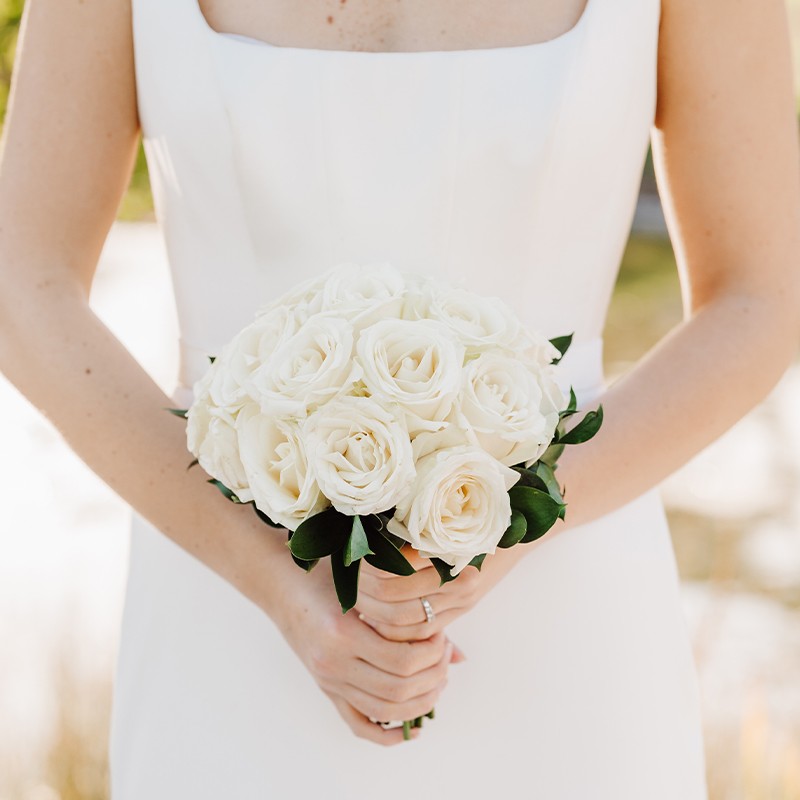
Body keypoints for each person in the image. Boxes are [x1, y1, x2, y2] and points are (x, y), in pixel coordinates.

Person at [1, 0, 798, 797]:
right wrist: (277, 582)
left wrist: (505, 524)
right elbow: (22, 284)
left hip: (569, 610)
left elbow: (762, 298)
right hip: (224, 601)